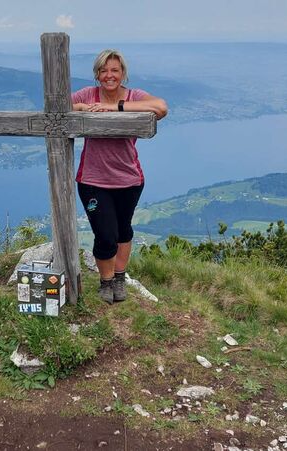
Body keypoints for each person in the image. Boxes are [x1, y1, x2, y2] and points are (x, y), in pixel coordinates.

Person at [72, 49, 168, 304]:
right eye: (103, 70)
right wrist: (82, 107)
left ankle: (119, 278)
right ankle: (105, 283)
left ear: (123, 73)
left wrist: (115, 107)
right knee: (106, 234)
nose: (109, 75)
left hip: (129, 179)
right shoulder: (87, 95)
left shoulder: (133, 96)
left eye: (114, 70)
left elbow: (161, 107)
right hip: (92, 180)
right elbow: (57, 108)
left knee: (123, 230)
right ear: (97, 74)